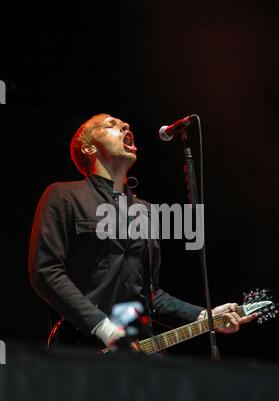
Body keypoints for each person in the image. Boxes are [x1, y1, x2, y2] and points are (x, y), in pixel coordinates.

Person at [28, 113, 257, 352]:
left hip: (140, 348)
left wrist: (203, 315)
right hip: (82, 346)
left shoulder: (145, 211)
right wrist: (105, 329)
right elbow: (46, 272)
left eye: (123, 123)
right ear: (88, 148)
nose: (125, 125)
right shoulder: (63, 196)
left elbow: (151, 295)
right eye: (111, 124)